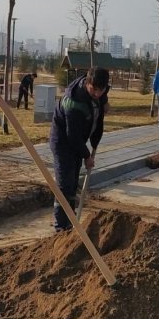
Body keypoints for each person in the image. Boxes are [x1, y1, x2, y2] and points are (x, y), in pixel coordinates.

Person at [49, 67, 110, 231]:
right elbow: (72, 136)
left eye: (101, 90)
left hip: (78, 140)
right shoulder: (73, 101)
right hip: (63, 142)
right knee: (64, 185)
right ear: (87, 83)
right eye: (94, 90)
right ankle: (61, 227)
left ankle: (70, 222)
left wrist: (104, 103)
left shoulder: (99, 89)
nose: (97, 94)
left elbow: (101, 100)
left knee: (73, 183)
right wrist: (87, 156)